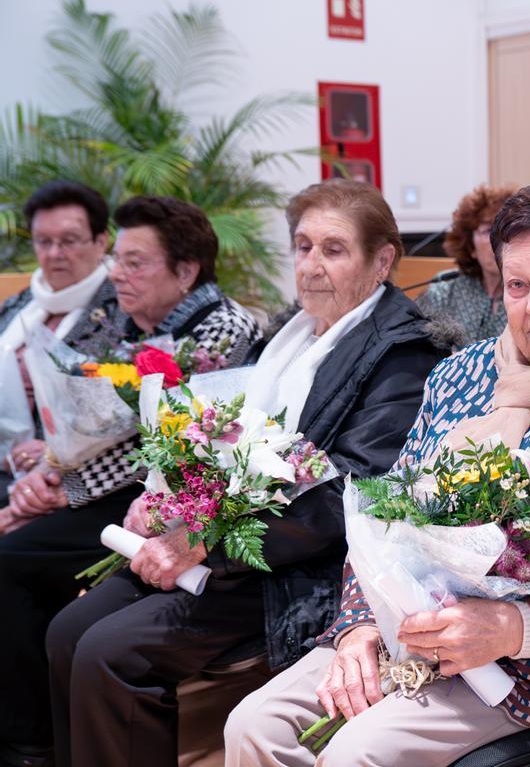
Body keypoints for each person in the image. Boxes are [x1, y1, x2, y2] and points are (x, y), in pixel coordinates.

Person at [225, 180, 530, 766]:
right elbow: (379, 508)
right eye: (518, 285)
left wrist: (513, 626)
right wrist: (356, 626)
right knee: (252, 726)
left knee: (356, 756)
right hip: (408, 625)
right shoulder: (462, 373)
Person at [44, 179, 446, 766]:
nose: (310, 265)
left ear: (381, 260)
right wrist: (168, 500)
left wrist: (203, 541)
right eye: (303, 246)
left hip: (301, 570)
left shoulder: (403, 355)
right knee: (67, 630)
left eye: (333, 250)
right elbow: (221, 441)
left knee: (111, 652)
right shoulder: (290, 333)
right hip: (229, 545)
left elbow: (348, 498)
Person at [0, 195, 261, 765]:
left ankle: (30, 744)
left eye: (135, 262)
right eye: (117, 259)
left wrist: (58, 489)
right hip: (111, 490)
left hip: (166, 500)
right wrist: (47, 474)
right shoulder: (115, 316)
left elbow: (154, 445)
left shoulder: (220, 329)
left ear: (186, 270)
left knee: (13, 560)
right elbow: (81, 416)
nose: (117, 273)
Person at [0, 181, 112, 497]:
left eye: (69, 241)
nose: (54, 254)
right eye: (43, 241)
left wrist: (53, 450)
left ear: (101, 241)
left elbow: (115, 411)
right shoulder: (22, 303)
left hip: (58, 478)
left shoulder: (122, 311)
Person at [417, 183, 518, 344]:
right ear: (471, 246)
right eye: (488, 230)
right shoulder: (444, 291)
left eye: (507, 228)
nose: (499, 239)